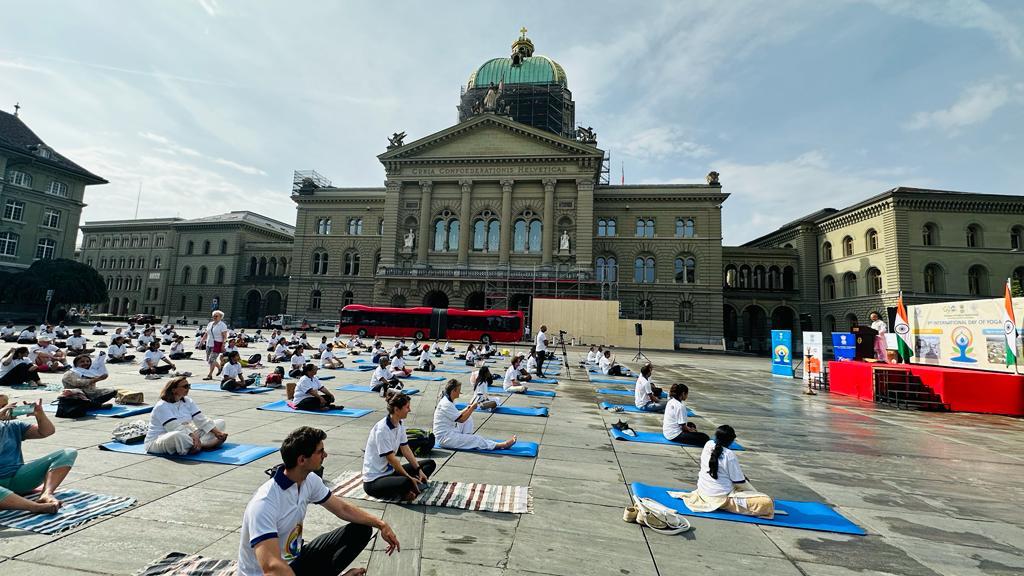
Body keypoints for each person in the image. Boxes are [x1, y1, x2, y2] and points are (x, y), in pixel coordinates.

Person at [237, 426, 398, 576]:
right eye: (320, 452)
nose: (325, 455)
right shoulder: (264, 503)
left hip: (294, 561)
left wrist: (381, 524)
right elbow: (271, 567)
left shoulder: (309, 480)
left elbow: (342, 509)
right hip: (269, 573)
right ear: (302, 460)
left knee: (361, 529)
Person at [0, 397, 77, 514]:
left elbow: (46, 431)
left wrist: (39, 414)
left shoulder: (14, 426)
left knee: (68, 452)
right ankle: (34, 507)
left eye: (5, 405)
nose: (5, 409)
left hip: (18, 477)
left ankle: (47, 493)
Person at [680, 425, 775, 519]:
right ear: (731, 441)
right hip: (720, 498)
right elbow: (739, 481)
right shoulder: (729, 455)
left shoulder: (708, 444)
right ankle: (730, 504)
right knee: (767, 502)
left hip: (703, 491)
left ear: (715, 437)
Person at [362, 393, 437, 501]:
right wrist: (410, 478)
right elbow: (392, 460)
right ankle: (407, 489)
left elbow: (405, 449)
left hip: (391, 473)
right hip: (374, 480)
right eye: (407, 407)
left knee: (429, 464)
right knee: (405, 481)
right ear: (397, 409)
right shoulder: (382, 430)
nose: (410, 410)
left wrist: (419, 470)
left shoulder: (399, 423)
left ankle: (410, 487)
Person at [145, 377, 228, 455]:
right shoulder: (162, 406)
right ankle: (205, 445)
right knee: (177, 436)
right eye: (185, 386)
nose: (188, 388)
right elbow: (173, 427)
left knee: (220, 423)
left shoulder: (188, 401)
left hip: (188, 433)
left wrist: (217, 432)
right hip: (161, 439)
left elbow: (201, 419)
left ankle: (197, 445)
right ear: (174, 390)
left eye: (189, 386)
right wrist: (193, 436)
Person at [432, 379, 516, 451]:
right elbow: (461, 419)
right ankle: (502, 445)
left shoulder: (448, 400)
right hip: (444, 438)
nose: (460, 393)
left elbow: (457, 415)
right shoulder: (446, 403)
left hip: (450, 431)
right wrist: (472, 408)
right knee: (477, 439)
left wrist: (467, 408)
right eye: (459, 390)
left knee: (469, 419)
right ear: (453, 391)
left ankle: (467, 439)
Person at [202, 310, 230, 381]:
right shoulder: (210, 324)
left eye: (216, 316)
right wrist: (201, 342)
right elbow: (206, 333)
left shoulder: (223, 325)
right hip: (208, 343)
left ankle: (210, 375)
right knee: (209, 359)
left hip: (217, 344)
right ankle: (220, 368)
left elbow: (224, 337)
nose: (214, 317)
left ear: (221, 317)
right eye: (213, 316)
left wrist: (223, 345)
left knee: (212, 360)